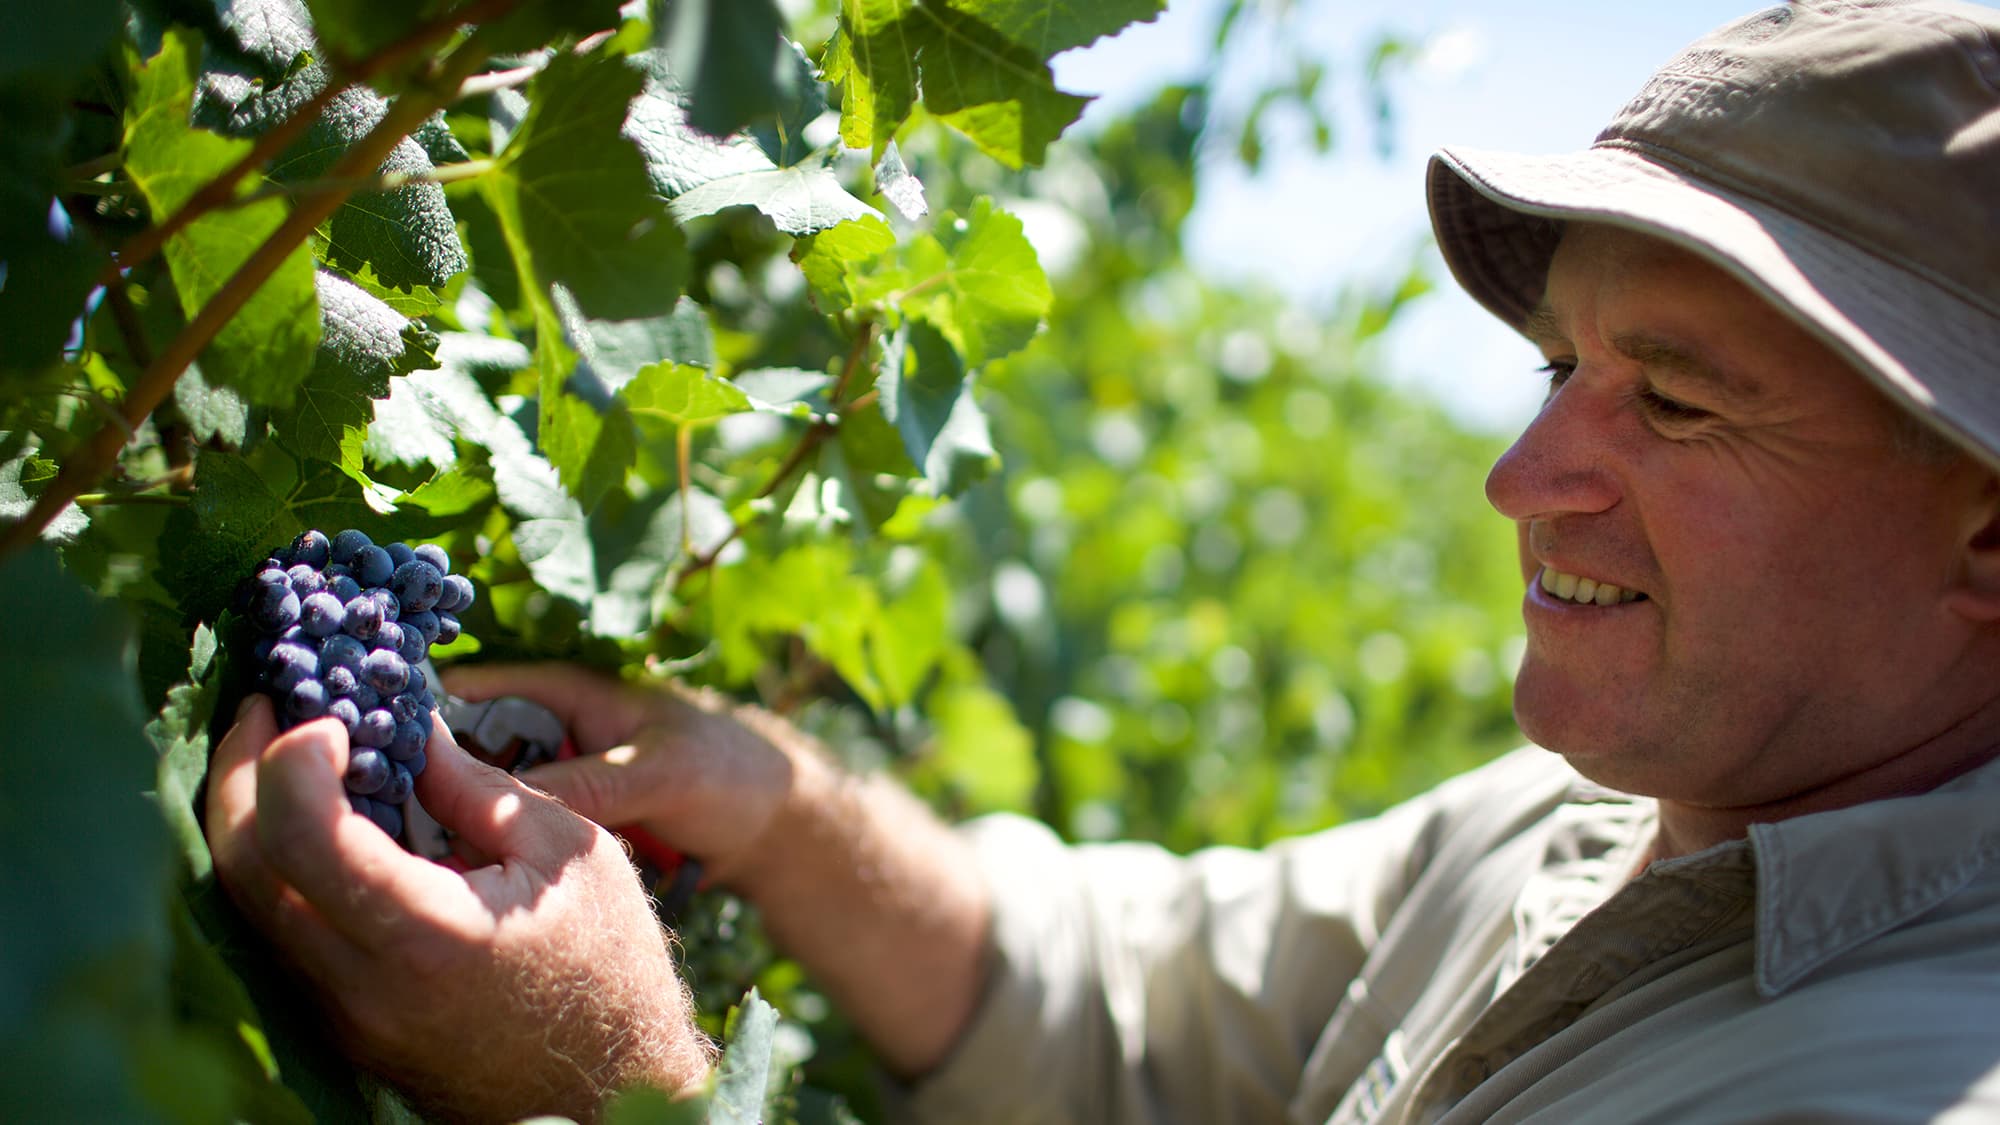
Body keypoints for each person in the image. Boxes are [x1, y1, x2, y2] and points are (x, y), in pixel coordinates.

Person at [205, 0, 2000, 1121]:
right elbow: (1106, 1009)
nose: (1522, 477)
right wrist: (774, 800)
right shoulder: (1591, 826)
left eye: (1677, 406)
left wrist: (618, 1085)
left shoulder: (1895, 1080)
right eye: (1558, 368)